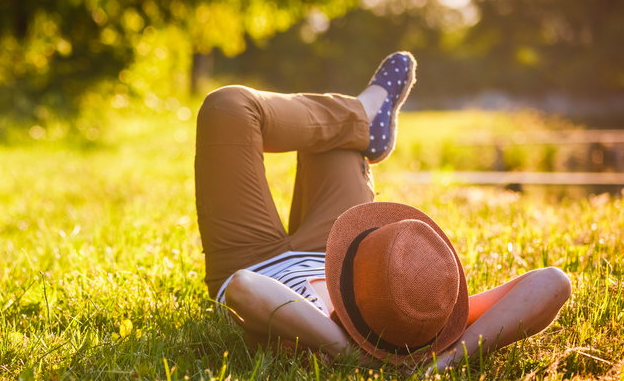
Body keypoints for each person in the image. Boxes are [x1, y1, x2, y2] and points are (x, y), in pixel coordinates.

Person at [193, 51, 571, 370]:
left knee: (227, 107)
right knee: (334, 139)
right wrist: (453, 357)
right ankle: (361, 118)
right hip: (342, 257)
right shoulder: (421, 323)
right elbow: (553, 282)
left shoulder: (318, 336)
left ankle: (362, 112)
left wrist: (353, 353)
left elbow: (245, 287)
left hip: (254, 258)